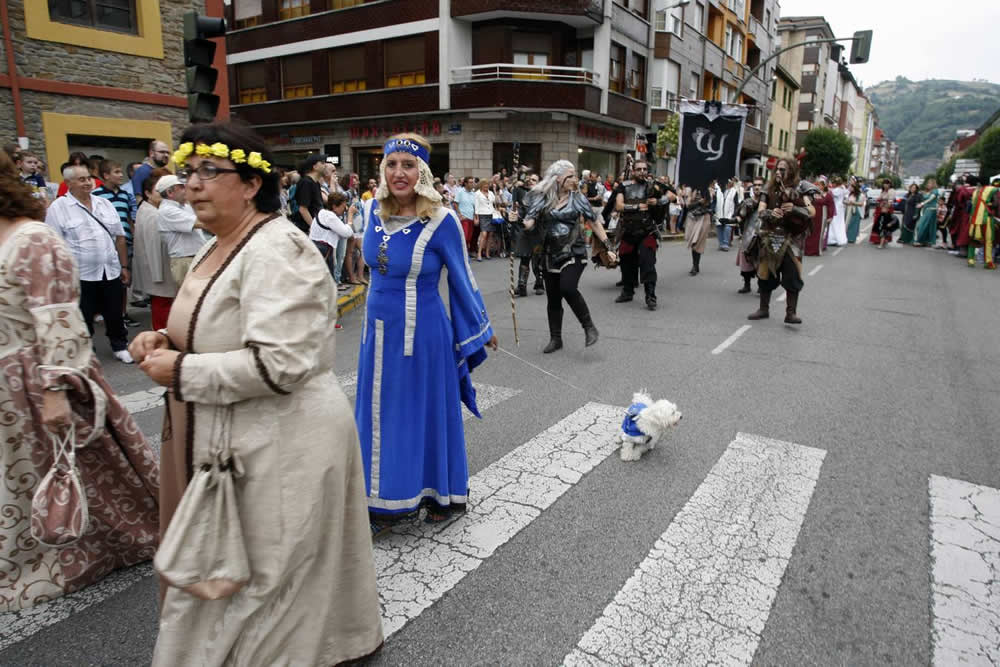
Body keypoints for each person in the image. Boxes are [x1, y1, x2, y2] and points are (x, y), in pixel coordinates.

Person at [129, 122, 383, 665]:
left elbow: (281, 362)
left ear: (249, 185)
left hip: (278, 442)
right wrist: (165, 339)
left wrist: (181, 369)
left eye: (208, 172)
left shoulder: (278, 246)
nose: (191, 184)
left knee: (265, 579)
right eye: (187, 172)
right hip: (233, 436)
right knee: (233, 571)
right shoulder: (217, 245)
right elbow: (213, 324)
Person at [0, 149, 159, 612]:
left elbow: (59, 317)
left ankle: (96, 547)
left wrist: (55, 389)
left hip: (40, 376)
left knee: (76, 466)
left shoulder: (32, 238)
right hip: (7, 383)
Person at [355, 134, 497, 532]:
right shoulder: (371, 212)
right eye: (392, 164)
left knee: (416, 414)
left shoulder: (442, 219)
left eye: (408, 164)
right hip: (376, 334)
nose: (399, 172)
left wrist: (481, 327)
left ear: (423, 172)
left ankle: (432, 493)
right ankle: (376, 494)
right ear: (382, 170)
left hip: (421, 335)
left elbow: (462, 278)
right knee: (376, 414)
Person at [45, 163, 133, 363]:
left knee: (114, 311)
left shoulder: (104, 204)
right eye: (81, 179)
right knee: (83, 314)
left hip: (110, 269)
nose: (87, 182)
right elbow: (54, 245)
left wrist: (124, 266)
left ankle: (120, 345)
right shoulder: (59, 208)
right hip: (80, 274)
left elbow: (119, 237)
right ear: (68, 183)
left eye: (88, 178)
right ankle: (86, 349)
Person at [524, 159, 612, 350]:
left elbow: (594, 222)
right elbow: (529, 223)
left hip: (574, 251)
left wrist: (608, 246)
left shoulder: (578, 198)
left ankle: (589, 327)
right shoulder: (543, 199)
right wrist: (514, 219)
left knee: (568, 288)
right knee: (553, 299)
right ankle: (556, 339)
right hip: (549, 253)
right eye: (570, 176)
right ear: (557, 179)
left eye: (576, 175)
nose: (575, 179)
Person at [746, 158, 817, 324]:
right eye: (777, 169)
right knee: (765, 274)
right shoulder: (768, 188)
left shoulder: (802, 188)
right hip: (770, 235)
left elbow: (811, 211)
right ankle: (763, 309)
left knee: (793, 275)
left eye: (782, 169)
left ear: (791, 170)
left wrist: (796, 209)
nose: (778, 172)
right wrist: (770, 213)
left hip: (793, 239)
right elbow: (761, 210)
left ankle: (790, 313)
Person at [604, 158, 672, 310]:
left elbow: (673, 195)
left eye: (644, 169)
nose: (642, 172)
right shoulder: (624, 186)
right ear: (633, 171)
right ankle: (628, 292)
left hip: (647, 231)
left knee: (648, 264)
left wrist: (659, 201)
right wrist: (636, 206)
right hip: (628, 231)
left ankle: (650, 295)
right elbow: (619, 205)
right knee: (627, 264)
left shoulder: (653, 185)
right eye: (639, 169)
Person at [93, 160, 141, 328]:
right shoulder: (97, 195)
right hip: (105, 243)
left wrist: (134, 237)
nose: (121, 175)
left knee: (124, 278)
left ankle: (122, 313)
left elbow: (129, 218)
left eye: (121, 172)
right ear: (106, 175)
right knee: (105, 278)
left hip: (125, 241)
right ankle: (103, 312)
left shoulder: (125, 195)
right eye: (117, 172)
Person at [133, 168, 178, 330]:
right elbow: (154, 247)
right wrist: (158, 275)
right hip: (159, 268)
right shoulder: (153, 214)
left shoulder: (149, 209)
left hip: (156, 268)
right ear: (148, 193)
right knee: (162, 304)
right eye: (159, 191)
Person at [155, 173, 208, 286]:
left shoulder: (184, 206)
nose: (187, 189)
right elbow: (201, 223)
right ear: (170, 192)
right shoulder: (167, 210)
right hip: (185, 261)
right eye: (182, 187)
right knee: (192, 299)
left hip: (194, 258)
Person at [511, 172, 545, 297]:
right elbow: (520, 213)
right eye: (529, 179)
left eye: (534, 179)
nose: (530, 181)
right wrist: (514, 217)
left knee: (537, 259)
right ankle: (522, 285)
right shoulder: (523, 196)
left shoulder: (543, 198)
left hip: (538, 231)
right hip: (525, 232)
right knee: (525, 258)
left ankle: (540, 283)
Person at [311, 191, 354, 282]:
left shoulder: (322, 213)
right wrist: (350, 216)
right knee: (326, 281)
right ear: (334, 206)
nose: (345, 209)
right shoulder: (330, 217)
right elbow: (346, 233)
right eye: (343, 206)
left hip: (316, 248)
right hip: (323, 250)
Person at [733, 177, 764, 293]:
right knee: (746, 260)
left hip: (762, 235)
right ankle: (747, 285)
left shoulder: (768, 202)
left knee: (762, 261)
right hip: (748, 234)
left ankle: (762, 286)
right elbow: (740, 216)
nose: (757, 187)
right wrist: (731, 221)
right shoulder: (747, 202)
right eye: (755, 185)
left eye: (760, 185)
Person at [965, 177, 998, 269]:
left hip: (974, 219)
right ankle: (988, 262)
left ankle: (971, 260)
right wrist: (990, 204)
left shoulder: (976, 191)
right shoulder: (992, 190)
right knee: (988, 241)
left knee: (973, 239)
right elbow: (996, 204)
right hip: (986, 219)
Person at [290, 153, 326, 235]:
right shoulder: (306, 183)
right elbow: (303, 209)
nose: (325, 165)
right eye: (322, 163)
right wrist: (314, 228)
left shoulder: (315, 183)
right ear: (315, 167)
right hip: (306, 230)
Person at [683, 185, 713, 275]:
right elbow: (688, 206)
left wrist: (706, 196)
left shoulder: (708, 190)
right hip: (692, 218)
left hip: (704, 217)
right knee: (693, 242)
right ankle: (695, 265)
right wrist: (698, 202)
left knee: (698, 242)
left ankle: (695, 266)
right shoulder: (690, 190)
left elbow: (708, 204)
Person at [805, 177, 834, 255]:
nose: (819, 186)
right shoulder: (812, 193)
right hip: (812, 215)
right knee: (810, 232)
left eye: (821, 184)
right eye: (818, 184)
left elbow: (831, 206)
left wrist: (830, 217)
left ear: (824, 185)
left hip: (821, 217)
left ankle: (815, 250)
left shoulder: (828, 195)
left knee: (818, 233)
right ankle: (807, 250)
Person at [473, 178, 497, 261]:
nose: (486, 186)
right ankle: (479, 254)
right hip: (482, 214)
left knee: (490, 234)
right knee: (484, 234)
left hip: (491, 214)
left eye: (487, 184)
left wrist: (494, 190)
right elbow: (476, 206)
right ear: (481, 185)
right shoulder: (477, 194)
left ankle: (487, 253)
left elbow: (495, 202)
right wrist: (476, 217)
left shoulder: (491, 193)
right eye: (484, 184)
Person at [913, 178, 940, 247]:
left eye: (930, 183)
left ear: (933, 184)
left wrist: (921, 204)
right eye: (928, 183)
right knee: (927, 226)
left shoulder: (935, 191)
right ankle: (925, 241)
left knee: (921, 225)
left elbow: (930, 199)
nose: (928, 184)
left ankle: (920, 240)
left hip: (931, 210)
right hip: (926, 210)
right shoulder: (928, 191)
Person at [870, 180, 898, 248]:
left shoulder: (891, 191)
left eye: (887, 184)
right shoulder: (883, 191)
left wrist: (885, 207)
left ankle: (884, 239)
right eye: (884, 184)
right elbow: (879, 199)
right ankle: (877, 239)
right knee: (877, 224)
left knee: (884, 225)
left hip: (886, 209)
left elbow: (890, 202)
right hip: (879, 209)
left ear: (890, 184)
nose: (885, 185)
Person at [453, 175, 477, 254]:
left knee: (469, 238)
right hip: (464, 218)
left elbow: (474, 206)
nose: (472, 184)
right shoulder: (460, 191)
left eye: (473, 182)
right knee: (465, 237)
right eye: (470, 182)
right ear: (465, 183)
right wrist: (460, 214)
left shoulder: (473, 193)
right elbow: (455, 203)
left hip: (471, 218)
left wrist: (475, 217)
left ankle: (464, 253)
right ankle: (461, 253)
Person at [827, 176, 848, 246]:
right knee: (839, 223)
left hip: (836, 207)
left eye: (833, 183)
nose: (832, 184)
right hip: (840, 207)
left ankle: (835, 239)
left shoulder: (836, 190)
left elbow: (830, 194)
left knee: (834, 223)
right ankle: (835, 239)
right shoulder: (842, 189)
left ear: (836, 183)